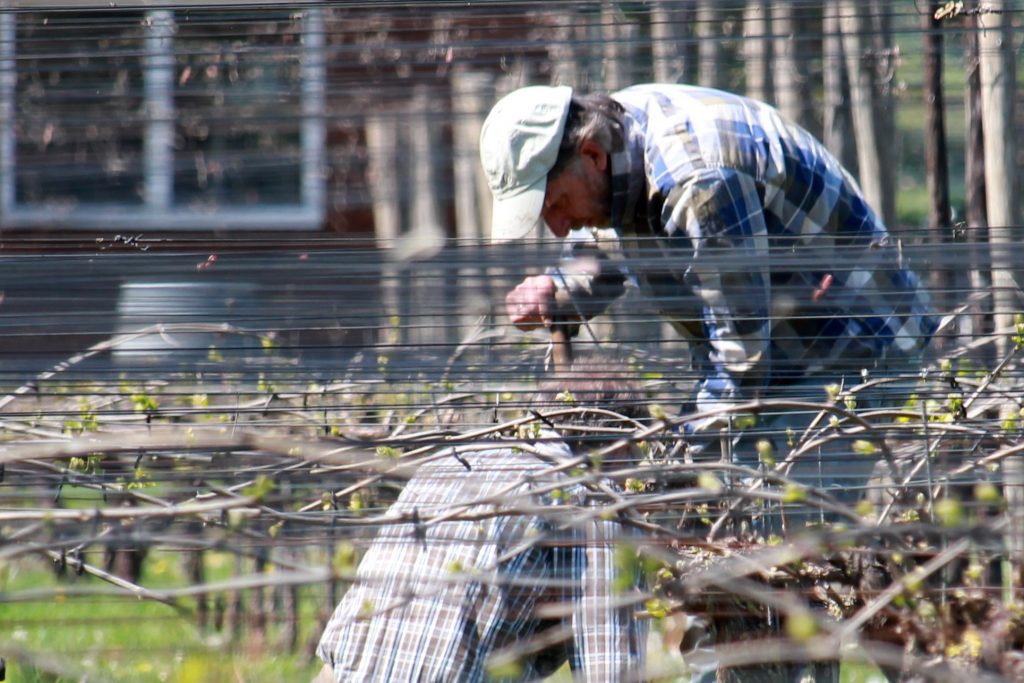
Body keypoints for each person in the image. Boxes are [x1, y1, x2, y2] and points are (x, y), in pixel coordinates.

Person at [480, 83, 938, 681]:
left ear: (590, 156)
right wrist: (561, 289)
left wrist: (680, 471)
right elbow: (609, 244)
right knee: (733, 564)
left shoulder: (699, 178)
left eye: (556, 204)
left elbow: (742, 357)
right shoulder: (619, 139)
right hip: (778, 358)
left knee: (769, 576)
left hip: (852, 351)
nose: (560, 230)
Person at [315, 370, 650, 682]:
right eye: (634, 461)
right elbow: (610, 669)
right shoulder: (587, 499)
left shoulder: (450, 461)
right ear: (618, 449)